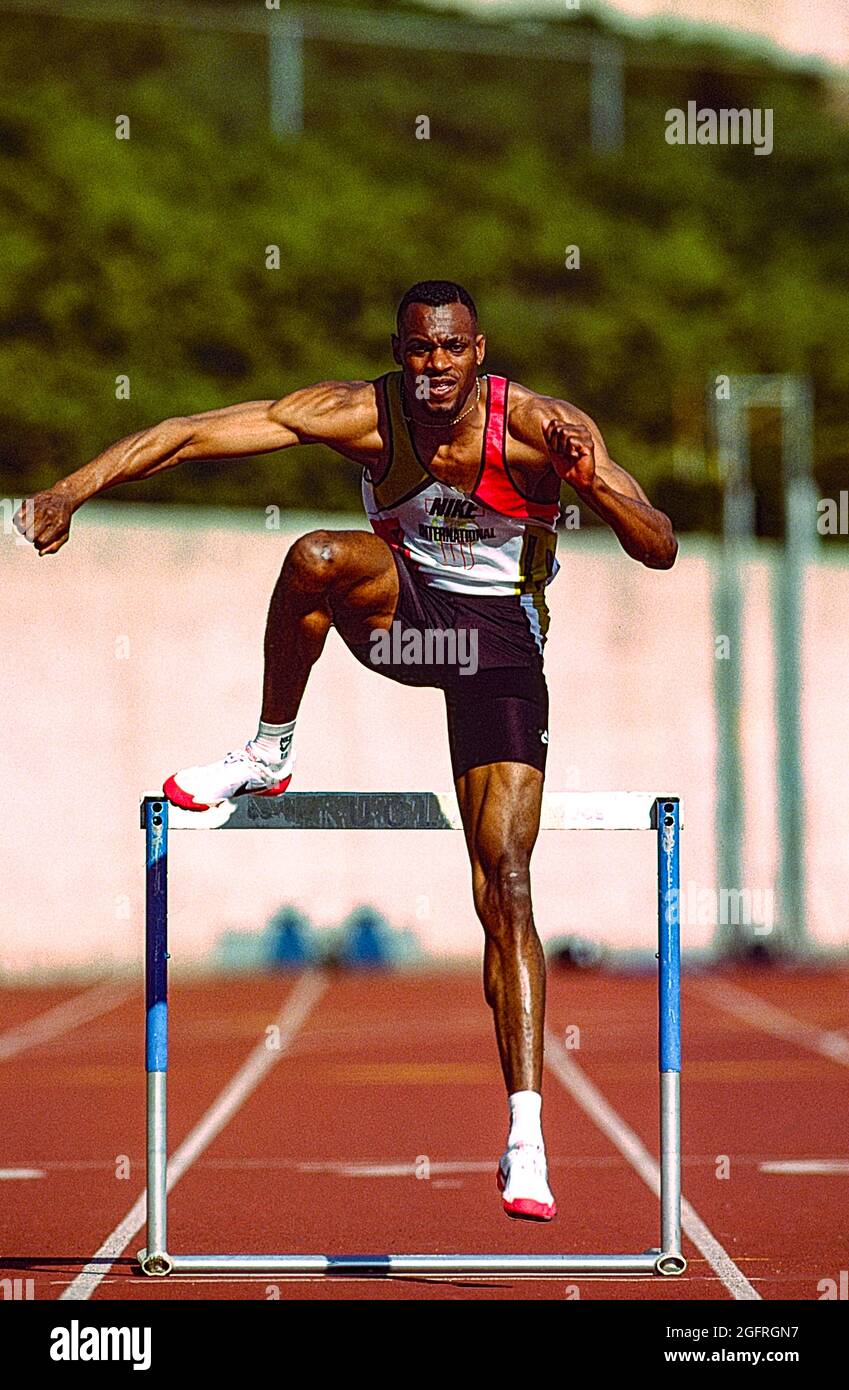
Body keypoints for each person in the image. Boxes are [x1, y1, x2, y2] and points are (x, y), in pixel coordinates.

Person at [16, 279, 677, 1222]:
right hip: (407, 621)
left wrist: (596, 485)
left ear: (477, 351)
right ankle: (267, 750)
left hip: (497, 650)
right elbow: (191, 432)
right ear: (400, 352)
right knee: (317, 559)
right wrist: (68, 490)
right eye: (418, 351)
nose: (434, 368)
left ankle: (524, 1136)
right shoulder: (358, 414)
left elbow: (659, 547)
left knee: (507, 883)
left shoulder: (541, 427)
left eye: (450, 350)